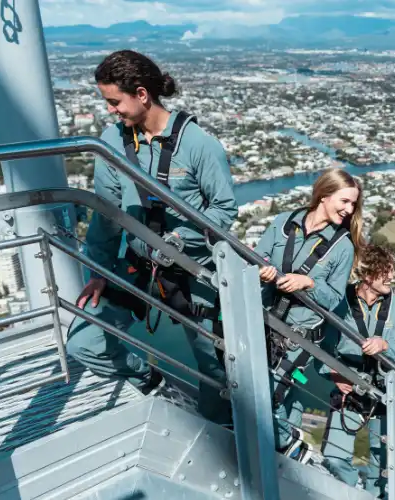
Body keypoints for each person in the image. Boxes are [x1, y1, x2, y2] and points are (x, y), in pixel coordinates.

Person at [66, 50, 237, 425]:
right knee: (84, 343)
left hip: (192, 272)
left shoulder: (198, 144)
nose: (111, 110)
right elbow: (107, 211)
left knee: (217, 370)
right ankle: (151, 381)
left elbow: (224, 211)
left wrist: (178, 241)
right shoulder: (112, 140)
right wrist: (99, 270)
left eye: (115, 101)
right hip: (139, 264)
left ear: (142, 94)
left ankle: (216, 434)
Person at [255, 168, 362, 459]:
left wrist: (309, 283)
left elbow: (335, 298)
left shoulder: (342, 248)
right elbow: (258, 254)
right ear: (324, 196)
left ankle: (285, 447)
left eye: (353, 204)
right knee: (252, 384)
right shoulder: (284, 223)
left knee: (272, 394)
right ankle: (276, 440)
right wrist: (263, 268)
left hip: (298, 336)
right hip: (264, 319)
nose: (349, 210)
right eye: (345, 201)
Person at [318, 243, 395, 495]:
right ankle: (352, 491)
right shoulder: (340, 302)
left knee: (381, 467)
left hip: (383, 392)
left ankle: (372, 494)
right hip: (349, 388)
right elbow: (322, 345)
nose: (392, 277)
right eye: (386, 271)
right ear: (368, 275)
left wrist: (385, 345)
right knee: (334, 457)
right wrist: (333, 373)